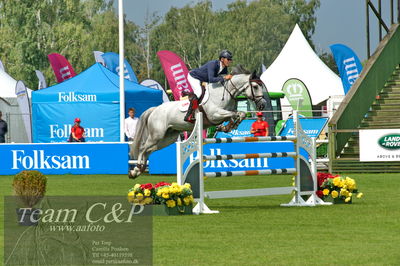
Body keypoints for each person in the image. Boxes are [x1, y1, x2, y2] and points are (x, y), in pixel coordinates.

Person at [184, 50, 234, 122]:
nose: (230, 61)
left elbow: (221, 81)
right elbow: (211, 79)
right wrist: (224, 77)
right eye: (228, 59)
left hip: (204, 79)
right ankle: (189, 115)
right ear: (222, 59)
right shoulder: (213, 64)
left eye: (230, 59)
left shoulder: (224, 68)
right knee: (199, 92)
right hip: (194, 77)